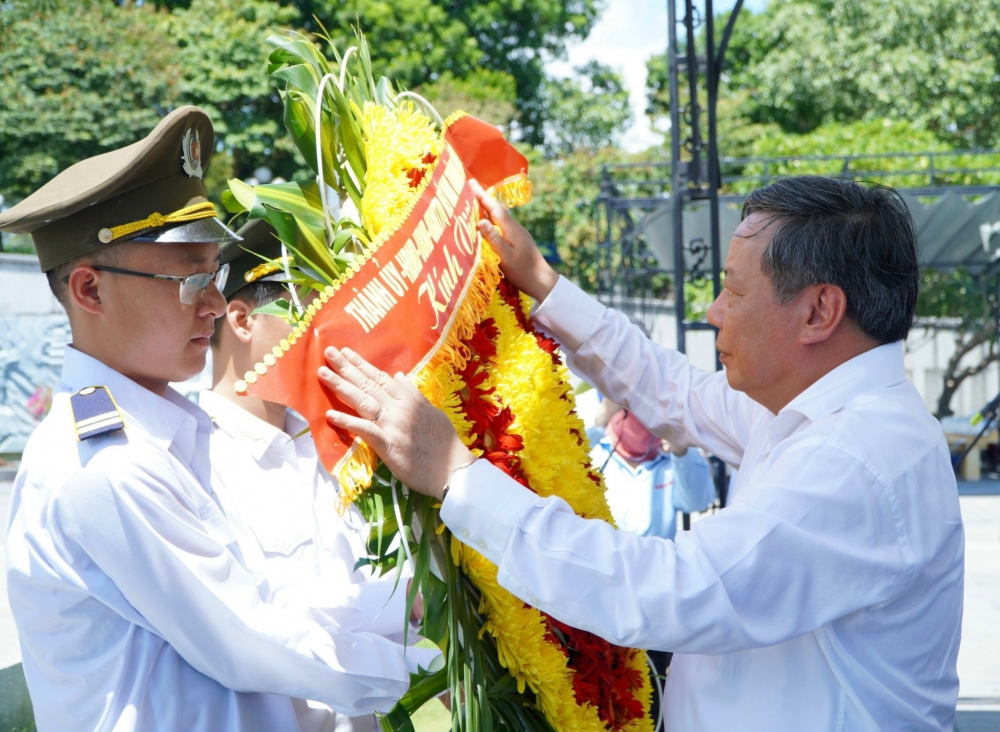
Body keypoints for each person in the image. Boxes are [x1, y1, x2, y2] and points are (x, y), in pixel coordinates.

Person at [317, 176, 965, 731]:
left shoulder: (857, 455)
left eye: (735, 293)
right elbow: (672, 392)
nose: (714, 312)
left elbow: (667, 589)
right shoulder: (811, 411)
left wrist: (457, 475)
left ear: (820, 311)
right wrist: (545, 286)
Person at [1, 107, 427, 732]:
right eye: (188, 281)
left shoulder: (170, 435)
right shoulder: (107, 463)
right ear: (90, 291)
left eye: (213, 277)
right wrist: (443, 666)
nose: (212, 306)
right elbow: (254, 639)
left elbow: (291, 600)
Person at [204, 219, 431, 732]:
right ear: (241, 321)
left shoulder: (335, 444)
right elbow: (256, 632)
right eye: (305, 311)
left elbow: (399, 595)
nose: (324, 331)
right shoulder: (196, 458)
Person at [592, 404, 715, 539]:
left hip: (659, 559)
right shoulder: (595, 454)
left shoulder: (670, 462)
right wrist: (605, 411)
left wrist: (679, 448)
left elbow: (698, 502)